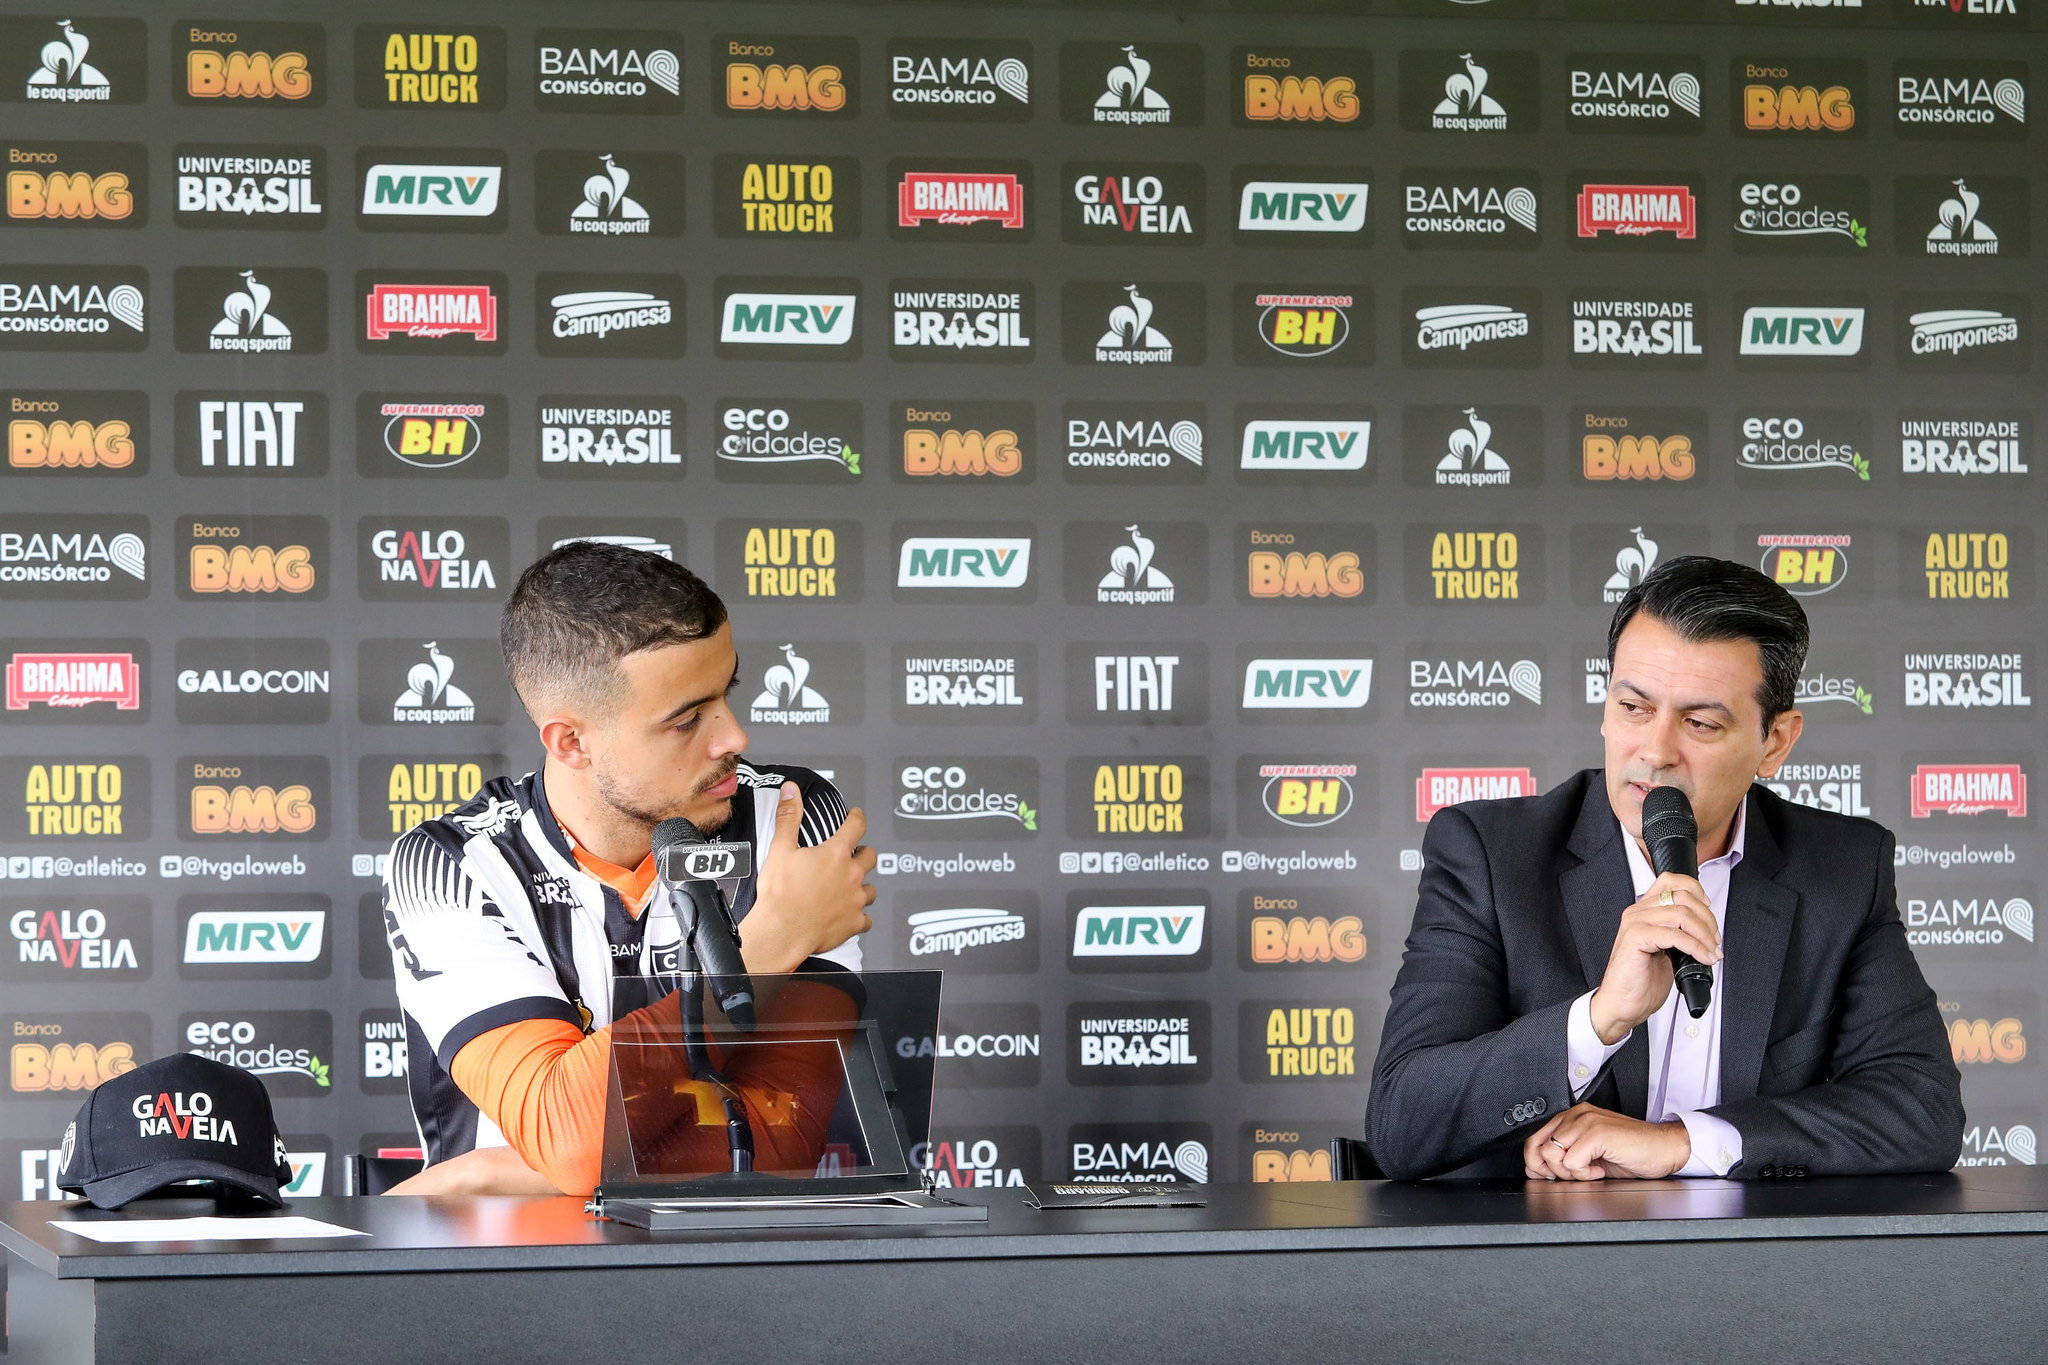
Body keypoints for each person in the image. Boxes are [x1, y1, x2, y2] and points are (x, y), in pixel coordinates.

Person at [1367, 555, 1963, 1181]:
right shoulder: (1491, 854)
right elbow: (1403, 1125)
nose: (1654, 752)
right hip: (1541, 1268)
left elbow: (1921, 1110)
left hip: (1760, 1267)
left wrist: (1682, 1143)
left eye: (1701, 723)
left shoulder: (1841, 868)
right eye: (1633, 708)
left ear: (1775, 742)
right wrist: (1599, 1020)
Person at [380, 543, 876, 1196]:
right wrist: (774, 941)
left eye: (725, 694)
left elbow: (779, 1138)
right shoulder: (448, 865)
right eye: (687, 719)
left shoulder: (791, 818)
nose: (733, 737)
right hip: (501, 1278)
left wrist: (487, 1171)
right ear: (572, 742)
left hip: (726, 1266)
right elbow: (569, 1134)